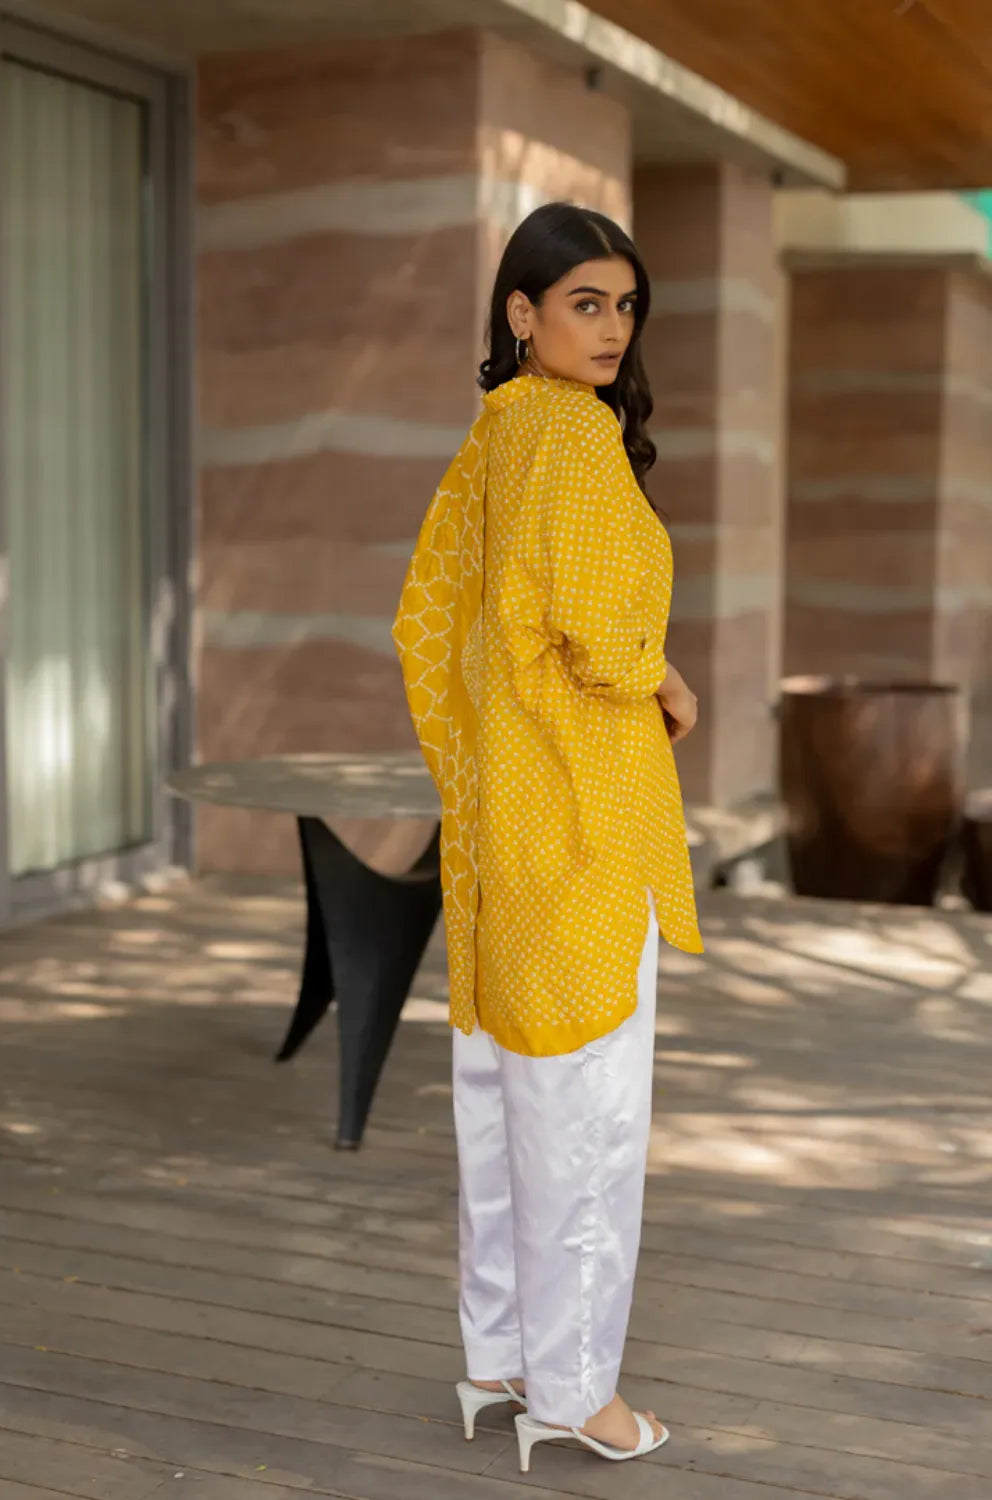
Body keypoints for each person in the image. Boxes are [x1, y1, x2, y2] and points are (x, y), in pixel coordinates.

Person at [392, 201, 703, 1471]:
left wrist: (482, 757)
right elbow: (594, 627)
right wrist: (665, 679)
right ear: (520, 313)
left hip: (503, 816)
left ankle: (502, 1356)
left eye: (624, 306)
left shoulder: (497, 432)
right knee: (588, 1108)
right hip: (584, 813)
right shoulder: (570, 433)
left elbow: (430, 622)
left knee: (505, 1087)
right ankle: (577, 1394)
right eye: (585, 303)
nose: (611, 328)